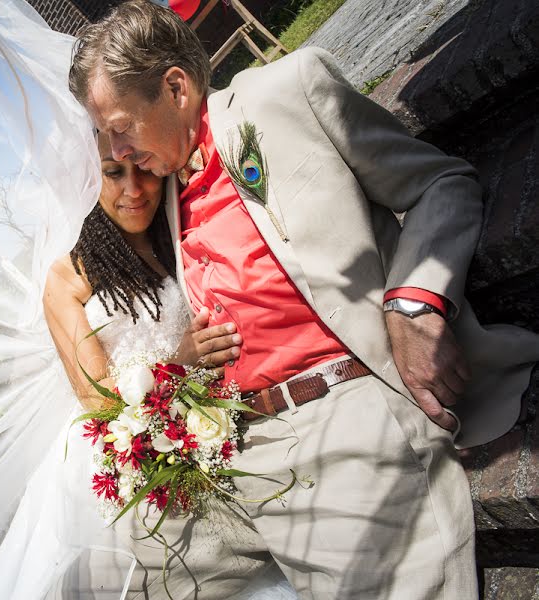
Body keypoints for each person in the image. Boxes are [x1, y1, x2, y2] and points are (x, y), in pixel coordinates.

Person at [66, 1, 539, 598]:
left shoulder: (284, 94)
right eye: (102, 135)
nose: (114, 151)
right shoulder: (161, 193)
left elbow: (441, 184)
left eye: (120, 126)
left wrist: (414, 303)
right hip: (229, 450)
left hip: (337, 413)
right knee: (113, 579)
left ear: (176, 88)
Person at [0, 131, 298, 599]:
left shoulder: (177, 229)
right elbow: (95, 396)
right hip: (132, 450)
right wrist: (179, 364)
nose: (134, 189)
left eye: (144, 169)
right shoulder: (68, 276)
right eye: (113, 174)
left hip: (220, 418)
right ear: (90, 179)